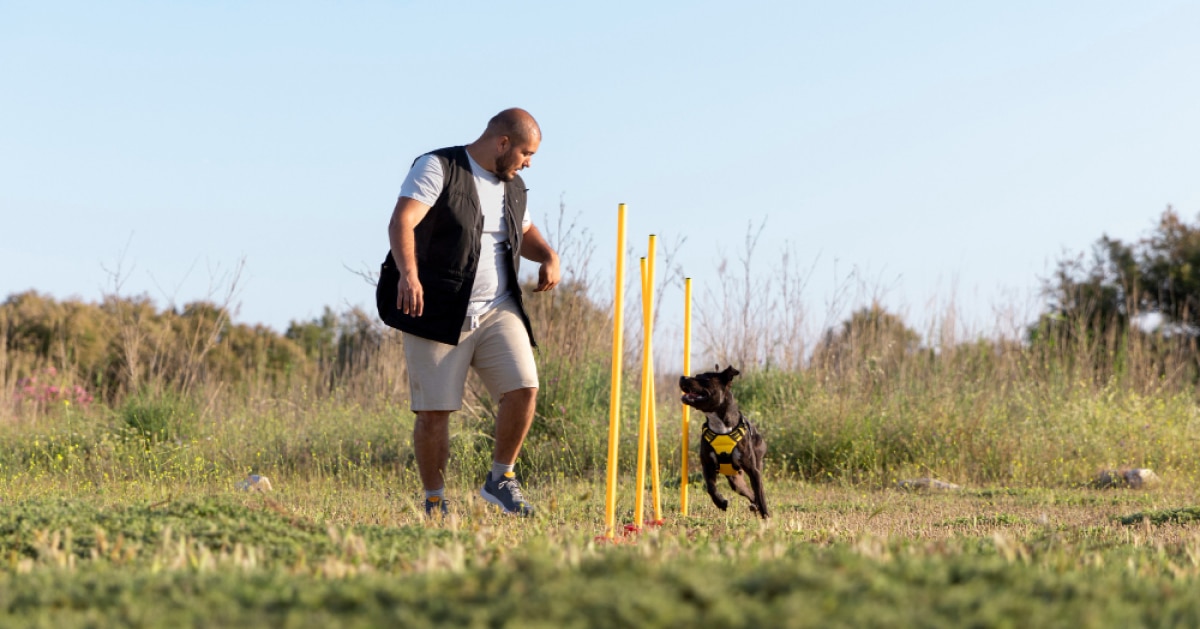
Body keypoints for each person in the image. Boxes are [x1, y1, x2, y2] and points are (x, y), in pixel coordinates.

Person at [380, 108, 560, 518]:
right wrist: (409, 275)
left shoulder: (514, 186)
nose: (528, 162)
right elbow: (402, 221)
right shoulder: (438, 167)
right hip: (436, 309)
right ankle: (435, 500)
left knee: (524, 387)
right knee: (434, 413)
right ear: (503, 143)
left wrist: (548, 254)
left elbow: (524, 231)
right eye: (526, 153)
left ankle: (501, 479)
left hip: (499, 309)